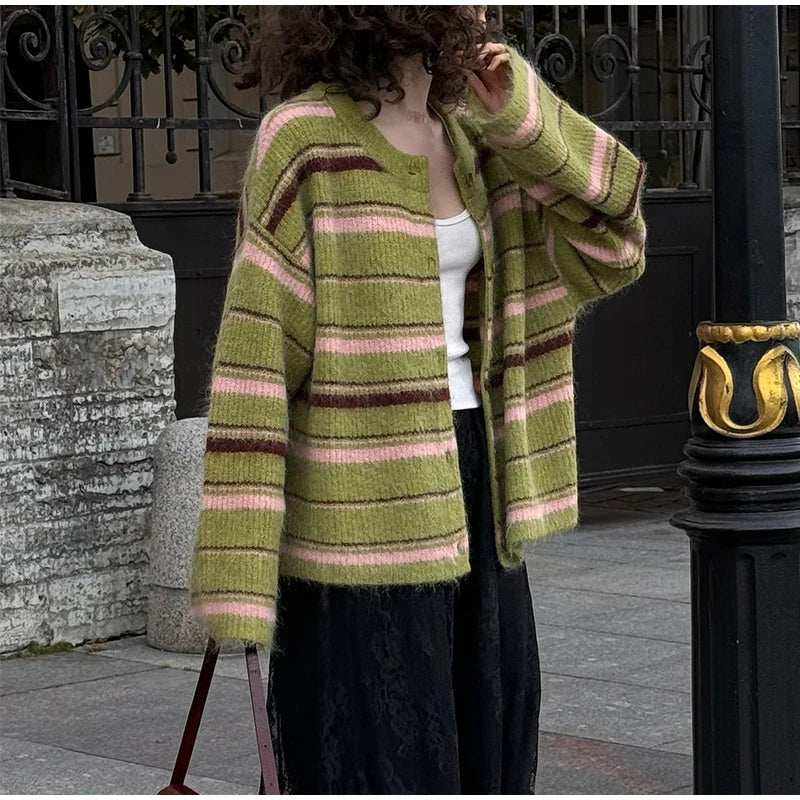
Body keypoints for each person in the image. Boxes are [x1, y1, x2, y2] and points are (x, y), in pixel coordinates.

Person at [189, 5, 648, 794]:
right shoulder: (303, 141)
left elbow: (617, 240)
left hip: (479, 493)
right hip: (354, 520)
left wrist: (526, 119)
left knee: (488, 753)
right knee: (386, 760)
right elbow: (257, 363)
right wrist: (238, 578)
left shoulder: (480, 131)